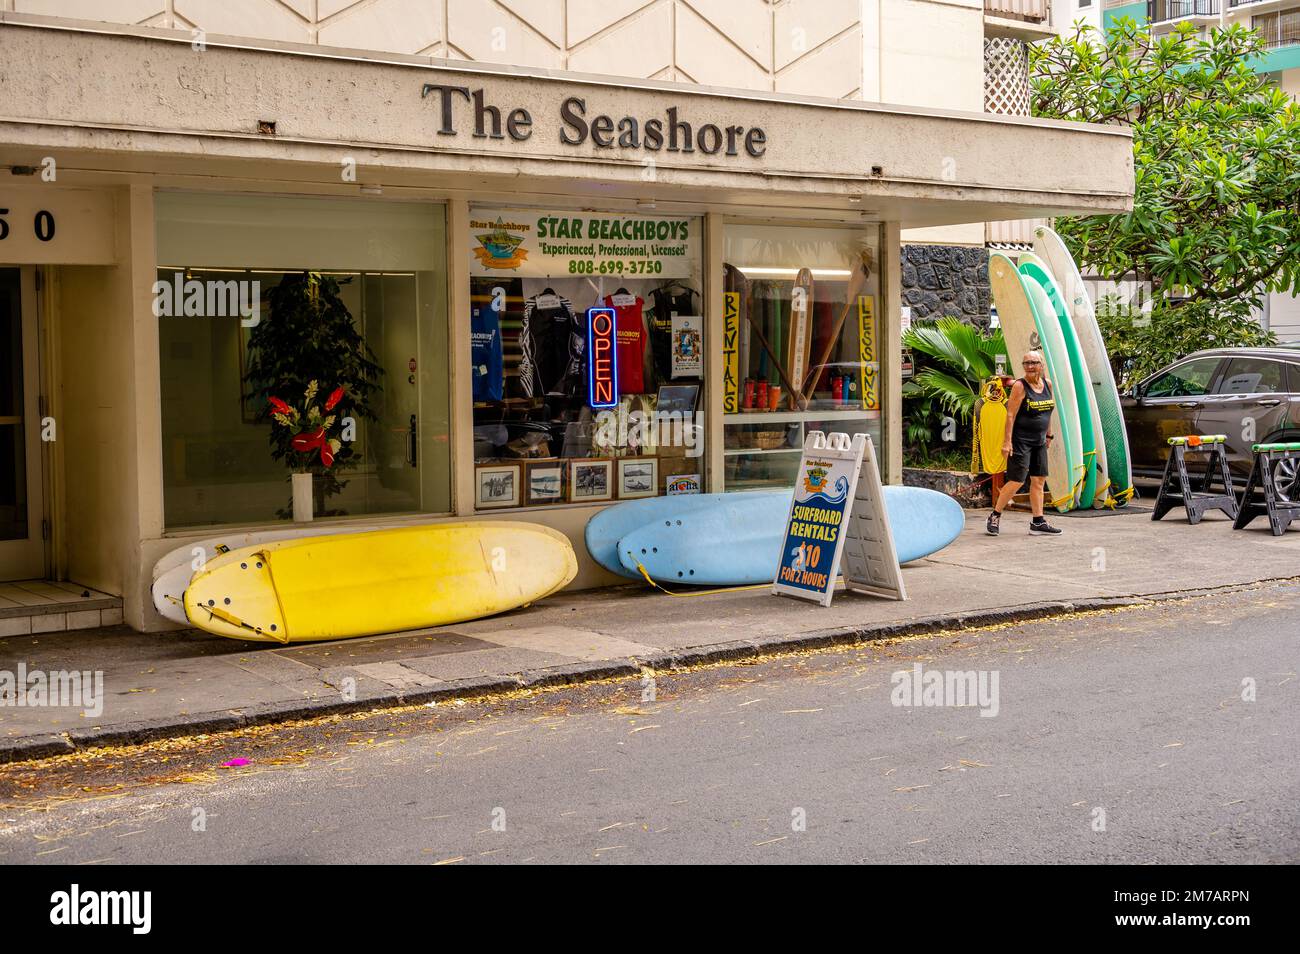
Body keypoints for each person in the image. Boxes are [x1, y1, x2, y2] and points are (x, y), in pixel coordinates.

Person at [986, 351, 1063, 536]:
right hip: (1021, 441)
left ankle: (1038, 522)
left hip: (1039, 441)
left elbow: (1048, 411)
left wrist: (1049, 434)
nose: (1030, 366)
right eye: (1026, 363)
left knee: (1039, 480)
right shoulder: (1020, 386)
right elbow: (1010, 415)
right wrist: (1007, 442)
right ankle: (995, 515)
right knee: (1016, 480)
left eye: (1033, 363)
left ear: (1041, 364)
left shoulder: (1048, 385)